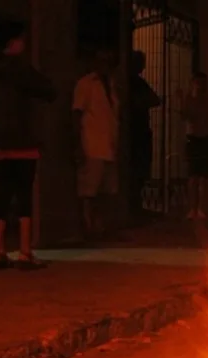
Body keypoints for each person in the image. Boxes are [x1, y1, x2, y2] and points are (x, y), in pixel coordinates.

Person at [0, 19, 56, 270]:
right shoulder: (20, 69)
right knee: (24, 195)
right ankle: (24, 251)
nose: (24, 42)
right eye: (20, 39)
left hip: (1, 142)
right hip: (23, 140)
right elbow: (48, 90)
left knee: (1, 195)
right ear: (11, 43)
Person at [73, 48, 120, 238]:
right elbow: (76, 113)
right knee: (89, 190)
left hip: (109, 144)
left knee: (107, 190)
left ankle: (101, 226)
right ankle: (88, 225)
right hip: (92, 143)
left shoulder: (112, 85)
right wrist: (77, 145)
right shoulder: (86, 84)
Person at [129, 50, 161, 222]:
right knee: (136, 169)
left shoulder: (139, 83)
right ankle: (134, 207)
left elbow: (155, 99)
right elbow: (153, 100)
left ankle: (137, 205)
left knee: (141, 170)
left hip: (141, 132)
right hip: (136, 133)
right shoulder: (133, 83)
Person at [181, 72, 208, 219]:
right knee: (192, 177)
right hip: (192, 139)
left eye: (203, 83)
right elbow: (186, 116)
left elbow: (206, 117)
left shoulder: (206, 100)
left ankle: (201, 208)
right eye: (198, 82)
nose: (201, 86)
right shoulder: (188, 99)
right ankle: (192, 208)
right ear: (192, 83)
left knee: (203, 177)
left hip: (205, 138)